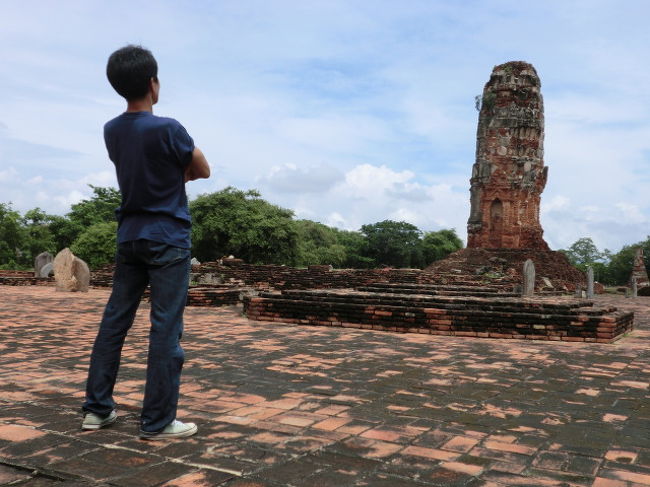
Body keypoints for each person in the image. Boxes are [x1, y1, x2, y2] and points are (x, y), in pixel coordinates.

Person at [81, 45, 210, 439]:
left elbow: (137, 167)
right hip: (168, 237)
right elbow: (203, 168)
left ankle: (97, 410)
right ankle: (158, 420)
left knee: (114, 322)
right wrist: (178, 175)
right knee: (165, 327)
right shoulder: (168, 128)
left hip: (130, 236)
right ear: (154, 84)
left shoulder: (111, 129)